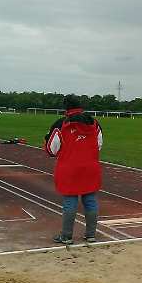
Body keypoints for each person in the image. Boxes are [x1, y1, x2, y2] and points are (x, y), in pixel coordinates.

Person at [45, 94, 103, 244]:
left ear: (66, 107)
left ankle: (66, 236)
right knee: (90, 200)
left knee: (70, 201)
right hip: (90, 167)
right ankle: (91, 235)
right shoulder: (94, 122)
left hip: (69, 168)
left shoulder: (60, 123)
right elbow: (99, 144)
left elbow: (51, 150)